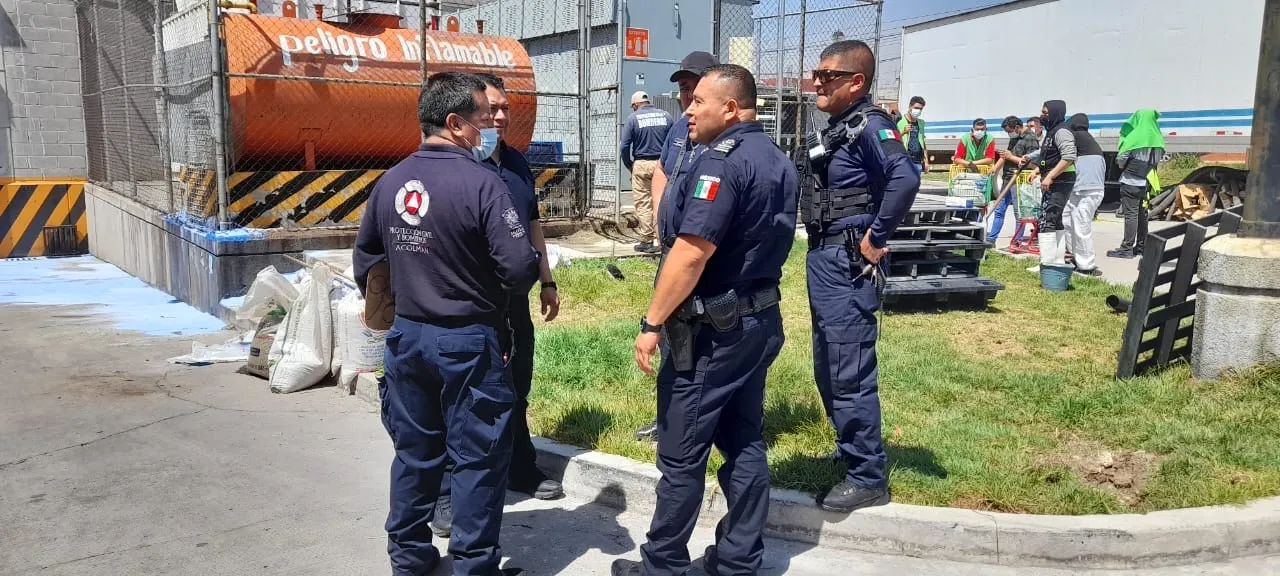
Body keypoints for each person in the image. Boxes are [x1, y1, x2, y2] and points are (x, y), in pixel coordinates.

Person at [353, 72, 541, 576]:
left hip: (407, 339)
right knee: (477, 458)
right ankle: (472, 565)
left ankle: (410, 561)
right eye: (481, 120)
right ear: (455, 123)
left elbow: (368, 260)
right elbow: (520, 267)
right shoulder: (483, 183)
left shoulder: (391, 181)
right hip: (468, 340)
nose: (487, 129)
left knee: (415, 454)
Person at [610, 63, 794, 576]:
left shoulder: (722, 162)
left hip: (713, 332)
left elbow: (691, 253)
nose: (687, 110)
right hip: (759, 321)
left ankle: (661, 566)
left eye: (698, 102)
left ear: (731, 108)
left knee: (681, 453)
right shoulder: (778, 158)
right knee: (745, 440)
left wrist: (651, 324)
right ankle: (738, 561)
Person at [428, 74, 565, 539]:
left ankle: (518, 466)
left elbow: (532, 227)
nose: (500, 117)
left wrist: (547, 280)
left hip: (514, 301)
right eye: (491, 110)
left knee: (515, 386)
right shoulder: (461, 167)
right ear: (469, 116)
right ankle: (446, 494)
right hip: (469, 306)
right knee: (462, 400)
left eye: (505, 108)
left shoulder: (517, 165)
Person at [802, 40, 920, 513]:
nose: (817, 82)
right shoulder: (840, 129)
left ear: (856, 82)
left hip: (848, 262)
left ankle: (868, 475)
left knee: (848, 369)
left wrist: (877, 235)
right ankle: (850, 449)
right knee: (827, 366)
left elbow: (905, 177)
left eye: (827, 76)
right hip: (825, 260)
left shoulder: (872, 126)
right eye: (816, 73)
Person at [634, 50, 719, 443]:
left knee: (708, 338)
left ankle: (705, 420)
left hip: (703, 253)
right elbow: (663, 171)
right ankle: (668, 417)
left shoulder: (719, 133)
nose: (686, 97)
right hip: (672, 248)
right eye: (683, 89)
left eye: (693, 89)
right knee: (670, 330)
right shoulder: (676, 130)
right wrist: (658, 220)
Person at [621, 91, 675, 254]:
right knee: (663, 201)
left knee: (643, 202)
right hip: (662, 162)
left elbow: (624, 146)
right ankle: (664, 238)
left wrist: (629, 164)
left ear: (635, 105)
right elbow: (674, 140)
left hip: (642, 163)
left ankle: (647, 240)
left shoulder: (633, 118)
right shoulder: (666, 116)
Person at [1108, 109, 1165, 259]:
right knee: (1142, 214)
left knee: (1131, 214)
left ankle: (1126, 248)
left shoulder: (1135, 137)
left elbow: (1121, 159)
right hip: (1147, 181)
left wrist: (1124, 166)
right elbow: (1157, 159)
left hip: (1130, 180)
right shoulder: (1158, 138)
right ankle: (1141, 246)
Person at [1062, 113, 1105, 276]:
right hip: (1082, 189)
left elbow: (1060, 154)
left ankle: (1087, 265)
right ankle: (1074, 256)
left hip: (1088, 191)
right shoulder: (1089, 140)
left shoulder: (1076, 137)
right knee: (1067, 220)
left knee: (1080, 225)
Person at [987, 116, 1039, 245]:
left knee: (1018, 212)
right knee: (999, 209)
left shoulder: (1030, 138)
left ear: (1017, 127)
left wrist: (1012, 157)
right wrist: (995, 169)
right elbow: (1006, 155)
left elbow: (1033, 164)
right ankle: (991, 239)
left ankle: (1017, 240)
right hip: (1007, 179)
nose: (1009, 134)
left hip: (1019, 179)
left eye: (1010, 131)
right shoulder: (1014, 138)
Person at [1037, 100, 1076, 268]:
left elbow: (1068, 157)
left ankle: (1046, 263)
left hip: (1061, 180)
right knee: (1056, 219)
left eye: (1045, 113)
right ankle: (1057, 261)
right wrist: (1039, 170)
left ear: (1055, 113)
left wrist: (1050, 176)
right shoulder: (1051, 131)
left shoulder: (1062, 132)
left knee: (1047, 219)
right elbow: (1049, 156)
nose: (1042, 116)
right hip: (1055, 178)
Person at [897, 95, 928, 174]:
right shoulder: (900, 122)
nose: (918, 110)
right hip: (905, 159)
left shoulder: (921, 123)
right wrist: (903, 132)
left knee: (915, 184)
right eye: (916, 108)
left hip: (917, 160)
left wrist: (926, 160)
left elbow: (922, 143)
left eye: (920, 109)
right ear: (910, 107)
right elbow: (893, 139)